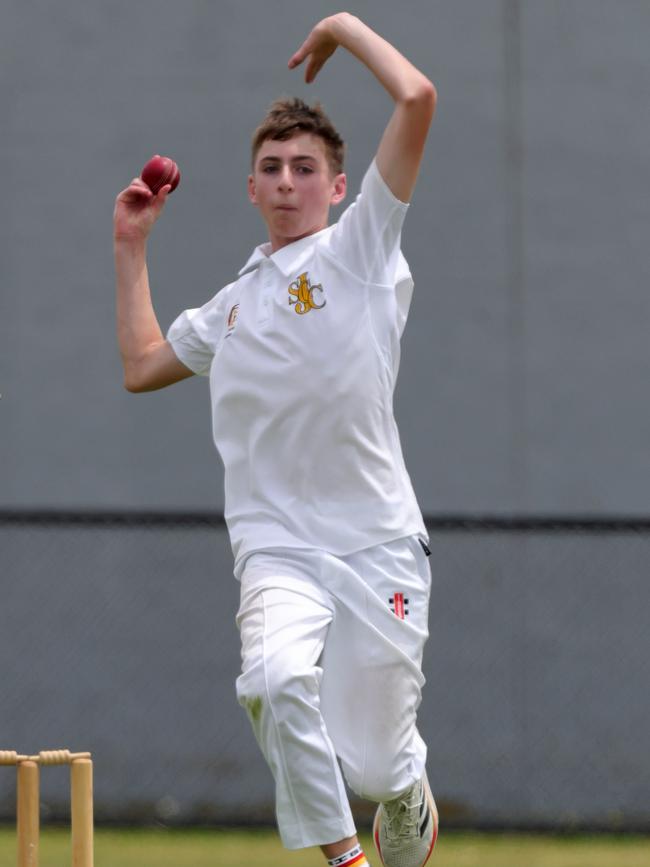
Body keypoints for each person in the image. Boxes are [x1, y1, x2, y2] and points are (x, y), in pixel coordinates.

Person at [113, 12, 437, 867]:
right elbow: (144, 364)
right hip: (277, 547)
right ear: (251, 189)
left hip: (377, 544)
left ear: (338, 188)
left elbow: (418, 97)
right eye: (271, 169)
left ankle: (405, 791)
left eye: (305, 168)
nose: (287, 180)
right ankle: (345, 858)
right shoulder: (233, 303)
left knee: (373, 757)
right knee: (273, 680)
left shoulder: (359, 251)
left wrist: (341, 26)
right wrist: (131, 247)